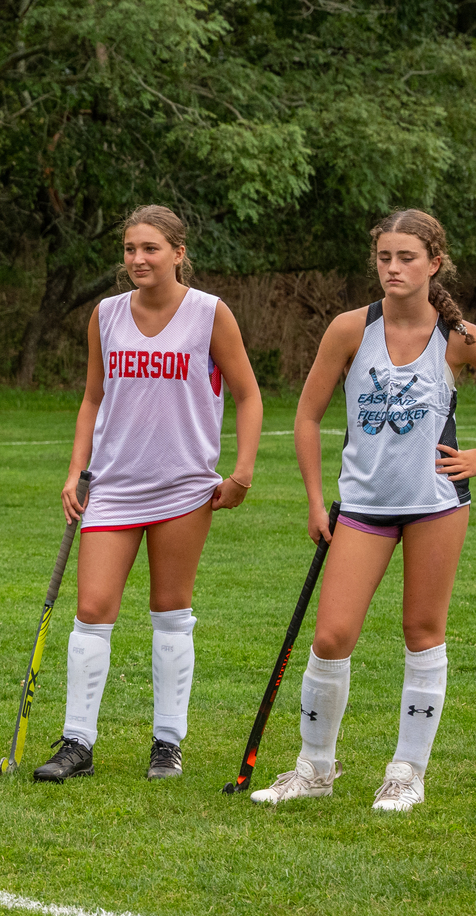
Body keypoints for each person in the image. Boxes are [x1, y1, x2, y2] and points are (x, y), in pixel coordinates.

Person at [252, 209, 476, 812]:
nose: (394, 268)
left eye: (407, 258)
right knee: (331, 635)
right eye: (384, 257)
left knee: (422, 633)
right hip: (363, 506)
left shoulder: (460, 338)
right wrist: (312, 498)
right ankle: (314, 767)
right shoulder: (351, 329)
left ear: (434, 263)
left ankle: (407, 772)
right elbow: (305, 417)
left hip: (435, 505)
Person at [34, 204, 262, 783]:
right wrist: (74, 471)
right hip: (112, 486)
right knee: (92, 611)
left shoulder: (210, 314)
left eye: (151, 249)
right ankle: (77, 743)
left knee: (171, 612)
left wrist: (241, 472)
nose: (138, 259)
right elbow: (92, 398)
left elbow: (247, 394)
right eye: (131, 249)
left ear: (178, 253)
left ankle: (167, 744)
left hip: (185, 486)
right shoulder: (106, 315)